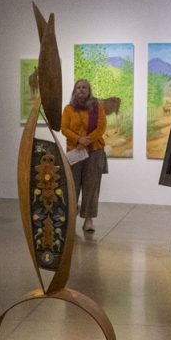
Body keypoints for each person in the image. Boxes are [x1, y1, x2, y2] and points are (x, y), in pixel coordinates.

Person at [61, 79, 107, 233]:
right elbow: (64, 129)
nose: (81, 90)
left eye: (84, 87)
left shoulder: (97, 107)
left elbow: (101, 128)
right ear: (74, 90)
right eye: (78, 87)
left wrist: (87, 140)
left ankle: (88, 220)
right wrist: (78, 139)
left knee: (91, 186)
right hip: (74, 152)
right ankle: (71, 216)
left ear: (89, 90)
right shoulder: (68, 109)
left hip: (94, 151)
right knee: (72, 185)